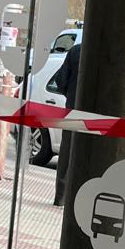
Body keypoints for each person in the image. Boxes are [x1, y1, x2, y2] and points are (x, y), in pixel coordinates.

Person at [51, 38, 81, 206]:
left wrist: (70, 95)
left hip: (72, 111)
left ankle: (61, 197)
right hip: (98, 117)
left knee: (67, 155)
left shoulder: (75, 51)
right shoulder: (109, 55)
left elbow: (60, 80)